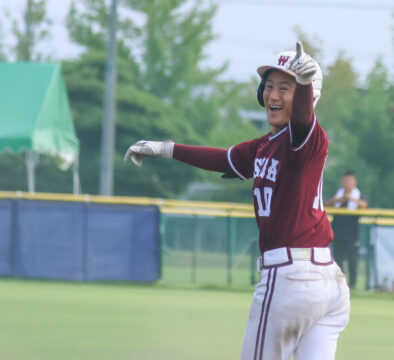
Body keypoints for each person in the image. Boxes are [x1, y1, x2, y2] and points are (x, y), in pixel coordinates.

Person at [124, 41, 350, 360]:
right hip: (325, 281)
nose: (272, 96)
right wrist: (166, 148)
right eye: (269, 87)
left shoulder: (308, 140)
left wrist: (303, 86)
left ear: (307, 95)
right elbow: (224, 159)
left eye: (285, 88)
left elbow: (303, 122)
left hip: (292, 277)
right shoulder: (266, 145)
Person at [325, 171, 367, 290]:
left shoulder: (359, 195)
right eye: (344, 181)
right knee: (338, 262)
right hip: (337, 233)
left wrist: (351, 199)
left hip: (352, 235)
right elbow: (326, 203)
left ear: (354, 183)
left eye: (348, 181)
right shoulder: (337, 195)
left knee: (352, 261)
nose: (346, 184)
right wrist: (337, 200)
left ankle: (353, 286)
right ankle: (339, 286)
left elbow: (364, 205)